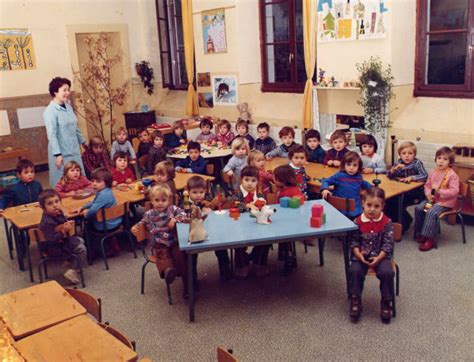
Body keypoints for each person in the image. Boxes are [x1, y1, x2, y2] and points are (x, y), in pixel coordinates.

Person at [131, 184, 189, 297]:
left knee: (180, 256)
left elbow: (184, 214)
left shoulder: (172, 209)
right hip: (160, 242)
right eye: (157, 200)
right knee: (163, 255)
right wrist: (135, 227)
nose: (160, 203)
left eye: (163, 200)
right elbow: (142, 222)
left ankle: (187, 287)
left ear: (168, 200)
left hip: (175, 240)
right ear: (152, 201)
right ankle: (168, 272)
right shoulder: (149, 214)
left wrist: (175, 219)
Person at [348, 187, 395, 324]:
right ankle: (355, 299)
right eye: (369, 205)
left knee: (387, 272)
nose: (372, 209)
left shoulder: (387, 222)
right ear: (363, 203)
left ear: (382, 206)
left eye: (376, 206)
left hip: (381, 255)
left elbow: (388, 244)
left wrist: (379, 258)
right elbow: (354, 241)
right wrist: (357, 254)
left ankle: (386, 301)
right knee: (354, 271)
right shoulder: (357, 221)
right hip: (361, 255)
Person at [186, 176, 231, 281]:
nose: (198, 195)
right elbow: (184, 216)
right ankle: (192, 281)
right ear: (188, 192)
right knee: (191, 255)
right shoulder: (185, 203)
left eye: (201, 192)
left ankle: (226, 274)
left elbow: (215, 210)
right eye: (195, 192)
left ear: (205, 191)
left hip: (210, 231)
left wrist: (211, 210)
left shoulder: (206, 201)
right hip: (193, 233)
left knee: (221, 246)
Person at [414, 147, 459, 252]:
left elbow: (454, 191)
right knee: (419, 208)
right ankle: (422, 232)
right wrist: (428, 194)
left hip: (445, 202)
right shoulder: (433, 172)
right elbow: (427, 185)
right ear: (435, 159)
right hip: (432, 199)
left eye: (445, 159)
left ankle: (430, 238)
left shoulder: (452, 175)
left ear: (450, 162)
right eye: (439, 158)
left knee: (431, 212)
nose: (441, 161)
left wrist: (440, 191)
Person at [43, 77, 86, 186]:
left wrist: (83, 142)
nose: (67, 93)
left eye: (68, 90)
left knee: (78, 178)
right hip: (60, 152)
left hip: (74, 149)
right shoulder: (50, 111)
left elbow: (75, 126)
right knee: (63, 183)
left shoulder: (68, 106)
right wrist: (58, 154)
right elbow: (51, 135)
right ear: (55, 92)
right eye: (64, 90)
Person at [38, 189, 87, 285]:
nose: (55, 205)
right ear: (43, 208)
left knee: (80, 240)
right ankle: (72, 270)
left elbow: (61, 223)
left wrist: (66, 222)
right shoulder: (47, 222)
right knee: (82, 249)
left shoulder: (58, 213)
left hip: (62, 241)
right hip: (54, 247)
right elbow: (52, 239)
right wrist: (63, 231)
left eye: (57, 201)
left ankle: (69, 263)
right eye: (50, 204)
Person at [231, 166, 270, 278]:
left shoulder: (258, 192)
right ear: (241, 180)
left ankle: (259, 263)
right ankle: (242, 265)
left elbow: (263, 202)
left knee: (266, 240)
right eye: (246, 180)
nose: (249, 184)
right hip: (240, 224)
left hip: (256, 223)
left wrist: (261, 203)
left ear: (257, 181)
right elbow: (235, 204)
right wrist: (248, 205)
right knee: (238, 243)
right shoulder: (238, 192)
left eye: (253, 181)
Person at [386, 141, 428, 232]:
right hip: (400, 191)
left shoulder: (417, 163)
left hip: (415, 193)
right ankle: (394, 223)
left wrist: (412, 177)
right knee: (388, 200)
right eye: (404, 153)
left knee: (396, 202)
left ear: (414, 155)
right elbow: (389, 176)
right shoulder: (398, 162)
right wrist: (393, 170)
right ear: (400, 155)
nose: (407, 156)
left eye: (410, 153)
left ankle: (405, 222)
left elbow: (425, 176)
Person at [273, 165, 305, 276]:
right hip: (281, 220)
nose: (274, 180)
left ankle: (289, 259)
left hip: (292, 222)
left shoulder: (293, 190)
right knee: (283, 240)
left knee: (286, 240)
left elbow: (301, 201)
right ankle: (284, 256)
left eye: (276, 178)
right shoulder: (281, 188)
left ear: (283, 180)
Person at [321, 152, 372, 218]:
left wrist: (372, 188)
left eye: (355, 165)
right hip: (340, 208)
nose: (351, 168)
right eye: (348, 165)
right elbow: (326, 181)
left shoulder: (359, 177)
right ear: (344, 165)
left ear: (359, 166)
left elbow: (364, 183)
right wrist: (325, 189)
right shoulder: (339, 176)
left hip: (355, 209)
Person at [77, 168, 121, 232]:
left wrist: (86, 213)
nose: (94, 184)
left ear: (107, 182)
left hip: (106, 226)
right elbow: (95, 201)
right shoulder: (107, 191)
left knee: (86, 223)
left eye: (98, 181)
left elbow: (92, 211)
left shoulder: (103, 195)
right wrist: (83, 207)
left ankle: (91, 241)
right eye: (92, 181)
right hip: (115, 222)